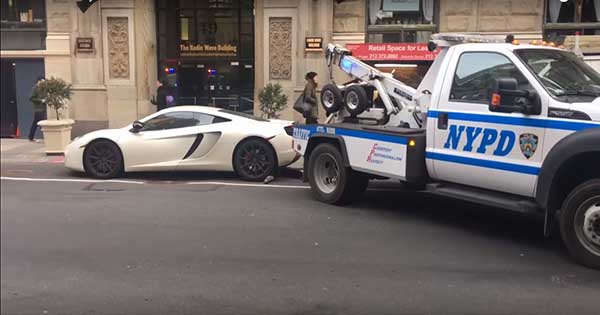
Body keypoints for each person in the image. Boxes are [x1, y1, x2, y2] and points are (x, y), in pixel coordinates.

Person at [28, 76, 47, 141]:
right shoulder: (35, 88)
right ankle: (47, 137)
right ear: (38, 81)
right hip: (38, 109)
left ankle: (30, 136)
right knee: (44, 123)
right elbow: (31, 98)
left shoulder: (42, 89)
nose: (43, 83)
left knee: (35, 123)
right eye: (42, 82)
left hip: (43, 108)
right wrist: (41, 100)